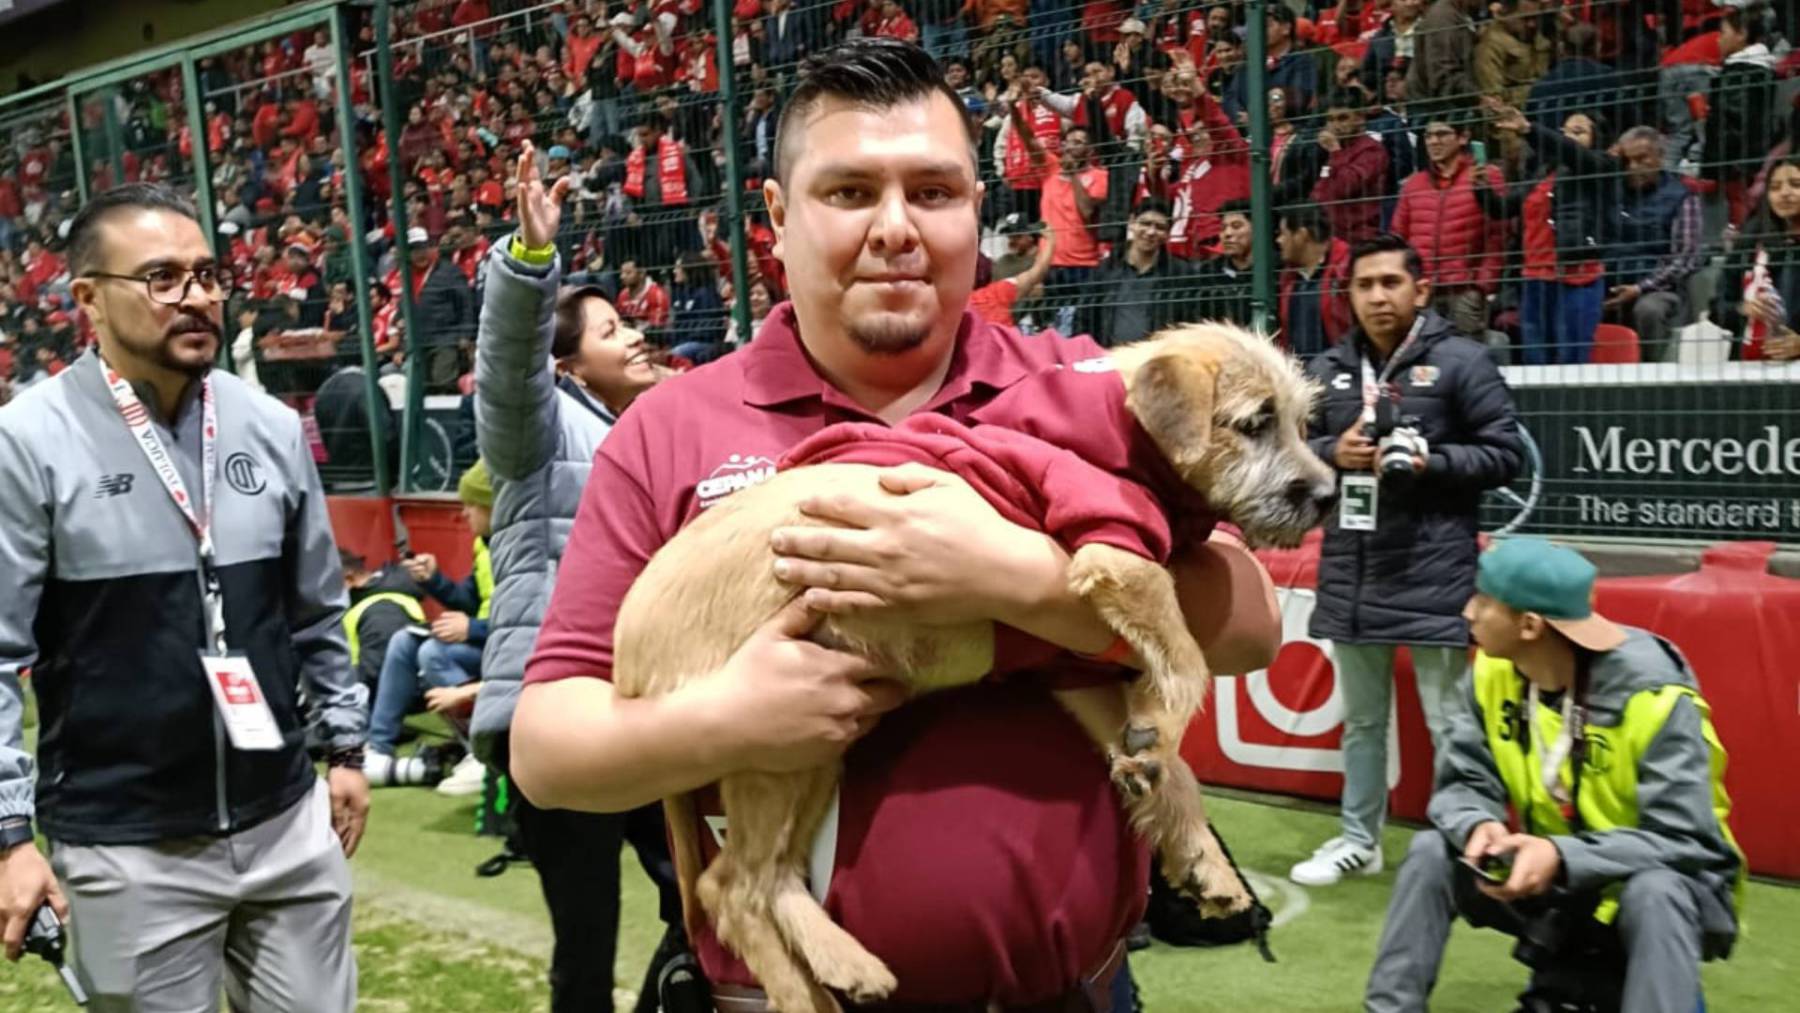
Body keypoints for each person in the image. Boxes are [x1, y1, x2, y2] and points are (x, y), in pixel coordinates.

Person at [509, 38, 1283, 1011]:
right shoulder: (667, 429)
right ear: (778, 221)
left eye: (934, 190)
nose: (896, 228)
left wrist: (1012, 578)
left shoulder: (1081, 382)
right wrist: (729, 717)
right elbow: (545, 751)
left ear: (976, 211)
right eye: (848, 192)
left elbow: (1253, 617)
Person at [0, 182, 366, 1007]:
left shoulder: (269, 425)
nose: (196, 296)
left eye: (206, 274)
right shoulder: (27, 443)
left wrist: (343, 750)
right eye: (162, 278)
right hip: (128, 846)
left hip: (286, 823)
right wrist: (7, 840)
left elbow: (314, 609)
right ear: (89, 298)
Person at [471, 140, 684, 1013]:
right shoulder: (540, 427)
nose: (633, 330)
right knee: (586, 936)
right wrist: (527, 261)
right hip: (561, 714)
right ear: (564, 365)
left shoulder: (652, 429)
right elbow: (509, 365)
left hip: (642, 708)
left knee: (710, 898)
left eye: (628, 320)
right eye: (608, 328)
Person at [1365, 539, 1743, 1013]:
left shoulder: (1656, 698)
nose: (1468, 611)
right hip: (1559, 876)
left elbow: (1686, 840)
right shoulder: (1493, 673)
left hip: (1664, 890)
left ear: (1529, 625)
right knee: (1434, 850)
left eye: (1483, 600)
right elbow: (1462, 781)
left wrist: (1561, 855)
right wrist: (1476, 823)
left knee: (1657, 891)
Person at [1292, 233, 1522, 887]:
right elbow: (1299, 443)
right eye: (1364, 285)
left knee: (1450, 721)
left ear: (1420, 290)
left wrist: (1430, 462)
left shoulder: (1462, 361)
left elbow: (1507, 453)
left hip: (1434, 566)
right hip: (1353, 565)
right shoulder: (1329, 365)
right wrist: (1333, 451)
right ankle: (1359, 840)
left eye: (1391, 282)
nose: (1377, 296)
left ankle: (1463, 843)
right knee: (1362, 722)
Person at [367, 460, 493, 794]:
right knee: (404, 642)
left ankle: (483, 751)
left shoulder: (526, 547)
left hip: (510, 649)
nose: (464, 514)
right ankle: (377, 750)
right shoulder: (483, 545)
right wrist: (433, 580)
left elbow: (534, 622)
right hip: (487, 642)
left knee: (434, 652)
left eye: (470, 505)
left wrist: (474, 629)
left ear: (493, 507)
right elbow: (468, 598)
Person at [1480, 102, 1609, 364]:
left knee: (1570, 359)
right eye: (1565, 131)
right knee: (1536, 359)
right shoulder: (1542, 173)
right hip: (1535, 277)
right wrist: (1480, 189)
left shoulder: (1599, 166)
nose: (1568, 136)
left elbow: (1573, 154)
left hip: (1575, 277)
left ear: (1595, 138)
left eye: (1578, 131)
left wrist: (1528, 129)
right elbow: (1503, 209)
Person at [1389, 116, 1505, 339]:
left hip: (1465, 290)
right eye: (1429, 136)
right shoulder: (1414, 185)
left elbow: (1498, 237)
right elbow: (1398, 238)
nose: (1433, 141)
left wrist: (1481, 286)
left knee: (1467, 360)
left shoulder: (1485, 176)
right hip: (1422, 290)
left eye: (1442, 134)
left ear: (1463, 137)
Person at [1601, 128, 1700, 363]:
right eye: (1627, 160)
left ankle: (1647, 374)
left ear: (1660, 157)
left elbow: (1685, 257)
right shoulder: (1610, 191)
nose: (1633, 167)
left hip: (1658, 288)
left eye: (1642, 158)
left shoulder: (1682, 197)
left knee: (1648, 310)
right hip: (1609, 282)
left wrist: (1639, 288)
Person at [1712, 154, 1800, 361]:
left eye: (1795, 184)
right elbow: (1717, 309)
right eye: (1775, 187)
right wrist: (1743, 309)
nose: (1784, 194)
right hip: (1749, 367)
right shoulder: (1751, 240)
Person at [1077, 199, 1201, 346]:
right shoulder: (1105, 270)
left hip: (1157, 361)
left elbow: (1191, 325)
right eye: (1145, 223)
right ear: (1132, 223)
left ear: (1167, 234)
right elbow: (1083, 318)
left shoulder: (1181, 274)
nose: (1150, 232)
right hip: (1108, 359)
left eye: (1160, 227)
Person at [1312, 90, 1391, 245]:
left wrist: (1335, 152)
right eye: (1330, 120)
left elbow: (1345, 186)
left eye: (1343, 118)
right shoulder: (1335, 149)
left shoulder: (1372, 150)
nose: (1335, 126)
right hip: (1328, 237)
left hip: (1358, 240)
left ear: (1360, 118)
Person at [1277, 205, 1353, 358]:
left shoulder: (1346, 270)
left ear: (1302, 235)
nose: (1278, 240)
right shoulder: (1288, 278)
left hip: (1339, 371)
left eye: (1283, 233)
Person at [409, 225, 477, 393]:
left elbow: (466, 303)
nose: (419, 253)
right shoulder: (408, 274)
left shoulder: (449, 271)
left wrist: (465, 335)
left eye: (422, 248)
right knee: (422, 387)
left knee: (443, 380)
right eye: (413, 249)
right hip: (419, 340)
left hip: (445, 338)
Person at [1194, 198, 1256, 325]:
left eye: (1236, 226)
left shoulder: (1277, 268)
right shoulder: (1209, 272)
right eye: (1223, 228)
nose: (1227, 234)